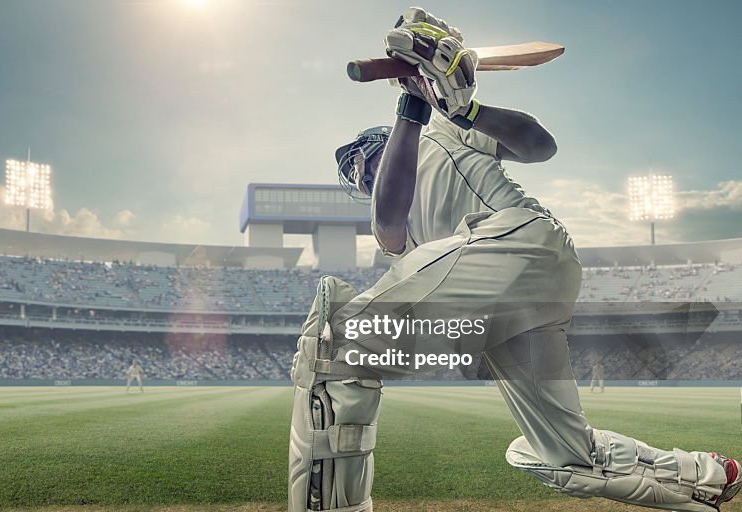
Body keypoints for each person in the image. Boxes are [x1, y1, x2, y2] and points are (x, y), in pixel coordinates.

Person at [288, 8, 741, 512]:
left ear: (379, 143)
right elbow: (389, 217)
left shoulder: (444, 134)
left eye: (364, 165)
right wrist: (411, 106)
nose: (365, 178)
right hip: (515, 299)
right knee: (565, 457)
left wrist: (464, 111)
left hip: (518, 238)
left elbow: (540, 146)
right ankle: (705, 477)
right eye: (359, 179)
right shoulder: (396, 220)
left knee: (338, 343)